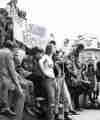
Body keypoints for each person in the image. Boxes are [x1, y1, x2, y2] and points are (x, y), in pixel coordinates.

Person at [0, 41, 25, 120]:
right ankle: (17, 117)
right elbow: (12, 72)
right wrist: (19, 86)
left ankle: (6, 106)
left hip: (3, 81)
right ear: (13, 48)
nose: (16, 52)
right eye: (16, 51)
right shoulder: (8, 54)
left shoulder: (1, 51)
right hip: (4, 82)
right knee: (21, 94)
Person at [39, 44, 56, 120]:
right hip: (48, 80)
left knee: (52, 99)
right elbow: (40, 62)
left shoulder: (50, 58)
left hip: (52, 79)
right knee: (51, 99)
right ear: (50, 49)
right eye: (53, 48)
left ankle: (50, 117)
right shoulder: (45, 57)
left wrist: (54, 79)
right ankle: (50, 118)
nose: (55, 49)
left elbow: (51, 70)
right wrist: (44, 73)